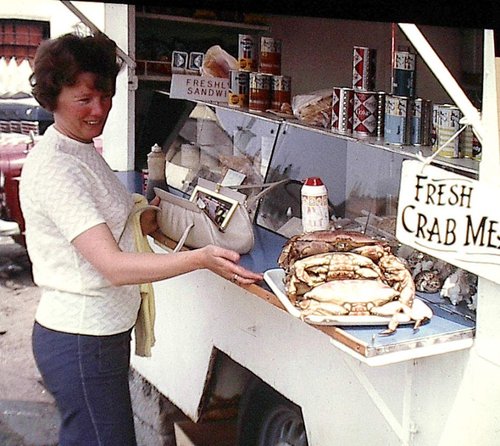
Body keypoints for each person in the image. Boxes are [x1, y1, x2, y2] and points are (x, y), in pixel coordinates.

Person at [20, 32, 262, 446]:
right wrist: (199, 258)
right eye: (84, 100)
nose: (100, 110)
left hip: (98, 337)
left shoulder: (79, 148)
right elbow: (113, 267)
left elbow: (112, 223)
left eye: (106, 95)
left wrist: (145, 218)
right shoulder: (57, 168)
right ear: (52, 97)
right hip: (81, 341)